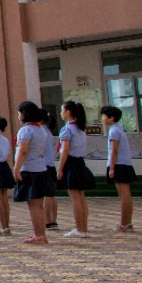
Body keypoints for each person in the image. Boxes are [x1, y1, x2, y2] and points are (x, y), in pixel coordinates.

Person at [13, 101, 55, 244]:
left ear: (25, 113)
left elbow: (23, 151)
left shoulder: (26, 130)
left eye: (19, 112)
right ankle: (40, 233)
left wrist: (16, 168)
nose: (18, 115)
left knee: (34, 205)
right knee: (38, 205)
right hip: (40, 168)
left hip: (30, 169)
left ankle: (39, 235)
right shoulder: (40, 130)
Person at [57, 101, 95, 238]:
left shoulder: (67, 129)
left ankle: (80, 228)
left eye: (62, 110)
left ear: (68, 112)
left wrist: (60, 169)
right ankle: (83, 228)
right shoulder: (80, 128)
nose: (61, 113)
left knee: (75, 198)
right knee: (81, 197)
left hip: (71, 164)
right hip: (80, 163)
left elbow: (65, 151)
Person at [102, 105, 135, 233]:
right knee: (126, 194)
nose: (103, 118)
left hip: (119, 164)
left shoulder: (113, 131)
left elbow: (114, 150)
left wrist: (112, 167)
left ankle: (124, 224)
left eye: (104, 115)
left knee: (123, 195)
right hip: (124, 164)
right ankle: (128, 223)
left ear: (111, 118)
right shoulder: (118, 129)